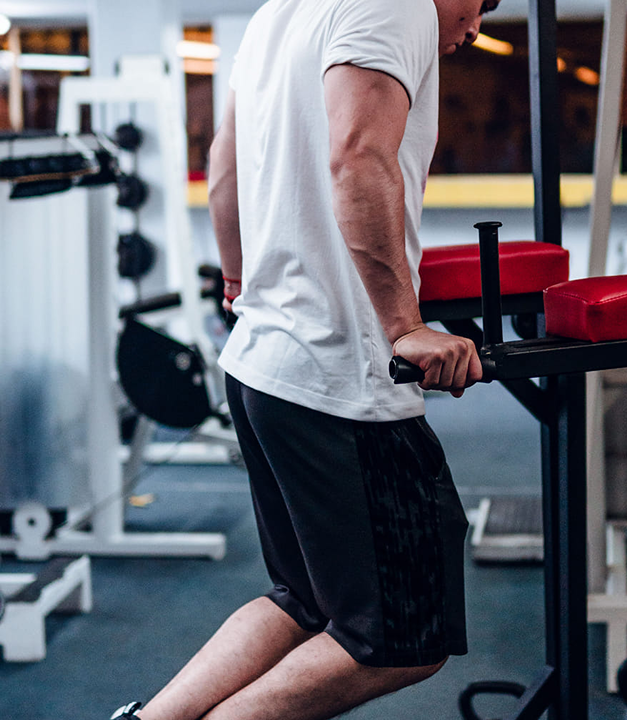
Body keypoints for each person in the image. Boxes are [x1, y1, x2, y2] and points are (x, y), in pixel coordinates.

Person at [110, 1, 497, 719]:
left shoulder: (279, 13)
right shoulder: (398, 6)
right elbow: (358, 156)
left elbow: (223, 164)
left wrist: (237, 276)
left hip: (263, 361)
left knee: (304, 602)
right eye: (483, 2)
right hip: (337, 375)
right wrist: (405, 328)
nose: (476, 26)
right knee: (398, 641)